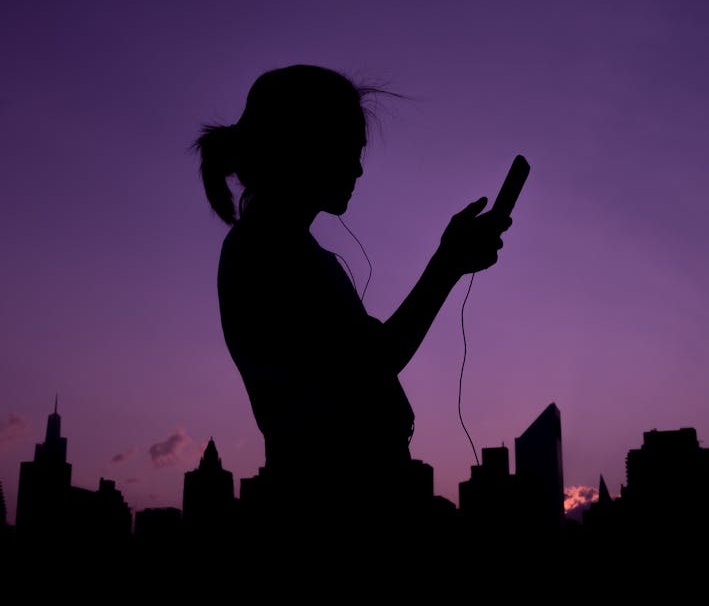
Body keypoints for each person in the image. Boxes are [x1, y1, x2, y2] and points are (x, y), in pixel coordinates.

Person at [193, 64, 512, 556]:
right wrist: (448, 263)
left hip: (347, 509)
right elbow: (373, 362)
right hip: (335, 522)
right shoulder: (267, 248)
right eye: (351, 150)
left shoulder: (286, 247)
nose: (359, 169)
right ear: (304, 144)